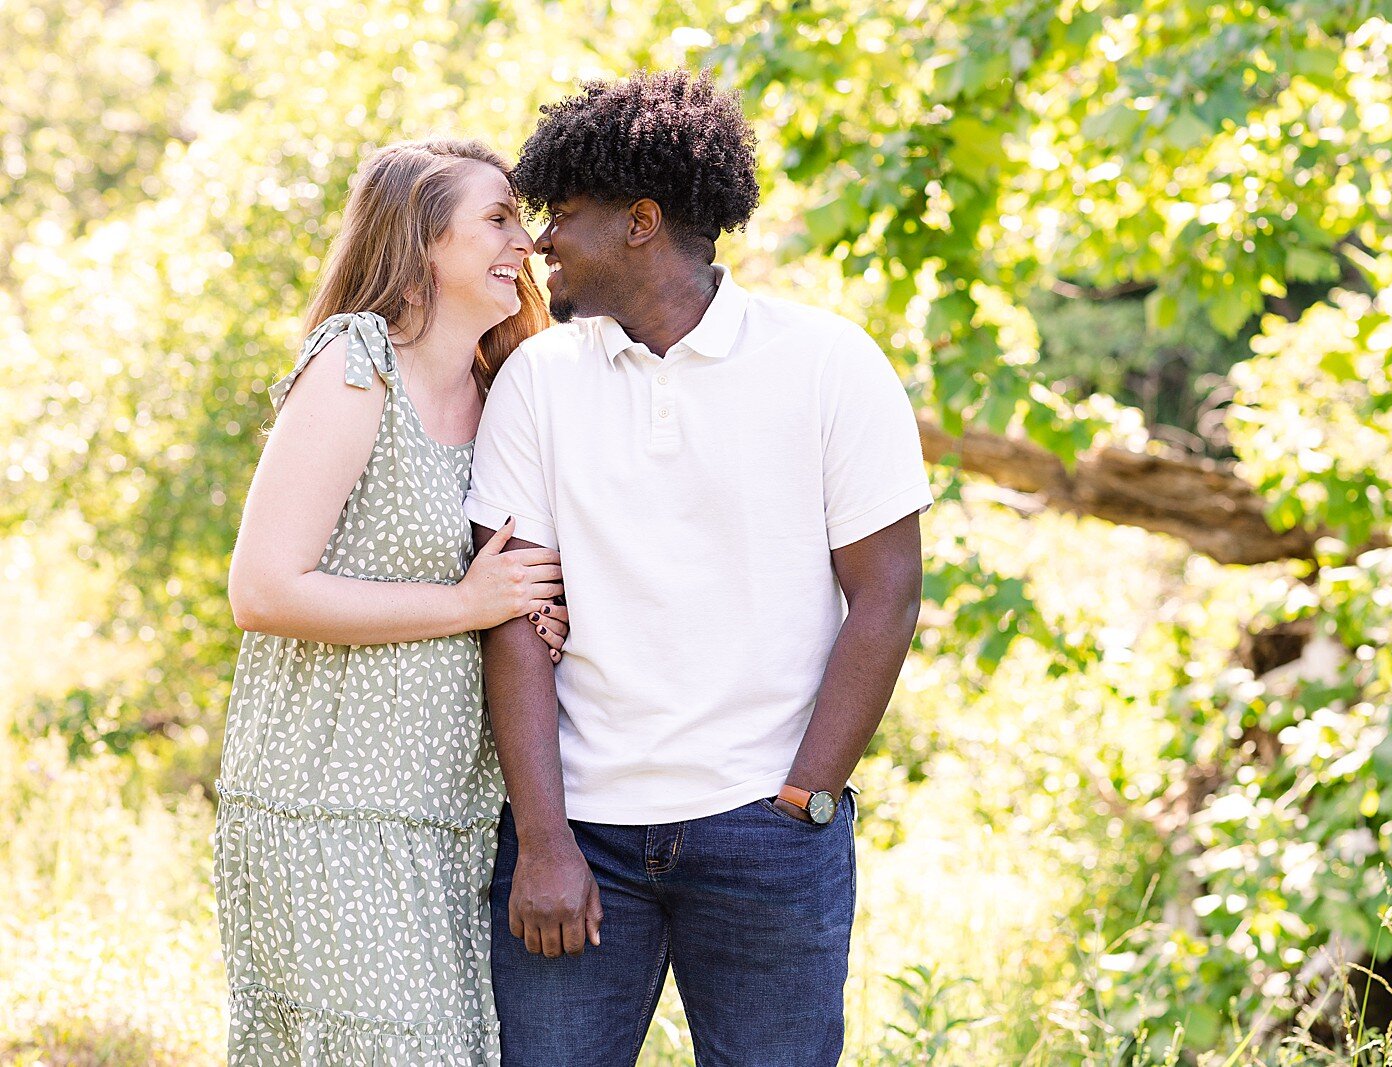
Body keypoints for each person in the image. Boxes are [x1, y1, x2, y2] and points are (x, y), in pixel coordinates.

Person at [466, 71, 932, 1066]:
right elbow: (511, 616)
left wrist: (809, 794)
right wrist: (544, 842)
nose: (540, 240)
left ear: (641, 221)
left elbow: (886, 592)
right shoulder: (536, 381)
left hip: (766, 826)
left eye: (564, 214)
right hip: (580, 831)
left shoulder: (827, 362)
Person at [216, 138, 568, 1065]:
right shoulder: (355, 362)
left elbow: (501, 585)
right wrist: (468, 602)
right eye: (497, 218)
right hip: (331, 807)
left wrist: (536, 611)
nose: (524, 243)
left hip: (449, 816)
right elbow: (262, 587)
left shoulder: (504, 387)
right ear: (420, 240)